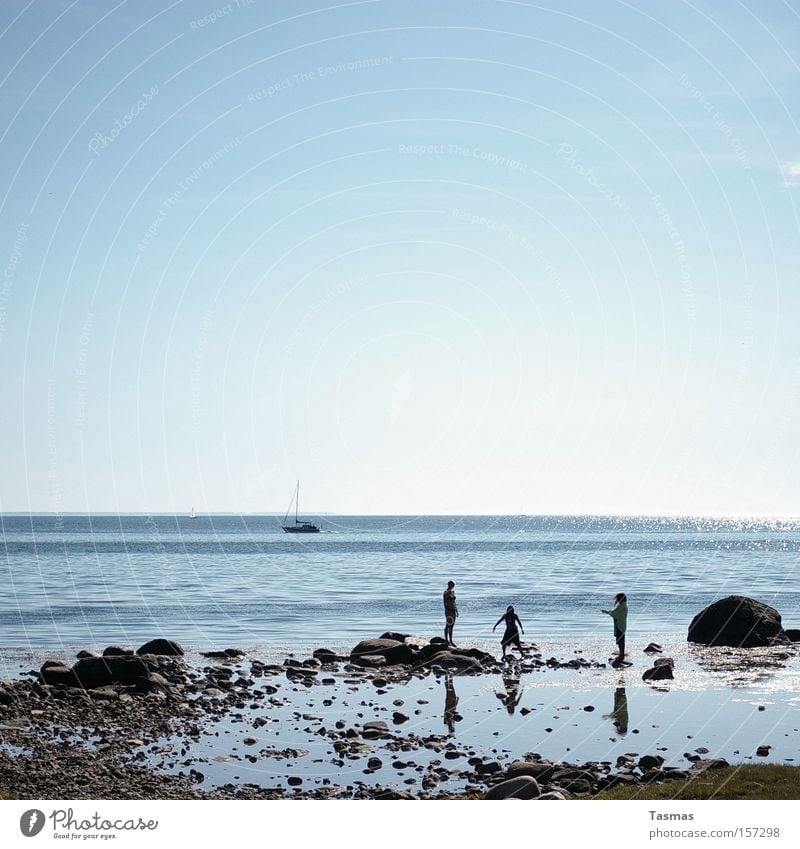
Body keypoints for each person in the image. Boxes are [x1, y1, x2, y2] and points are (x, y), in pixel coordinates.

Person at [602, 592, 628, 667]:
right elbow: (615, 612)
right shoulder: (624, 605)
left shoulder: (620, 606)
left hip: (619, 625)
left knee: (620, 641)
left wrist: (606, 611)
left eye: (617, 598)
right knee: (621, 641)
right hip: (622, 625)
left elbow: (614, 613)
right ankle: (621, 654)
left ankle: (621, 656)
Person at [443, 580, 458, 645]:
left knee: (452, 626)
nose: (452, 586)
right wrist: (446, 609)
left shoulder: (453, 592)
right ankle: (446, 640)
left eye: (453, 585)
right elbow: (444, 602)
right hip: (449, 610)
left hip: (453, 610)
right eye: (451, 585)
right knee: (448, 625)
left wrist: (457, 610)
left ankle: (451, 640)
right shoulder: (446, 592)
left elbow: (454, 602)